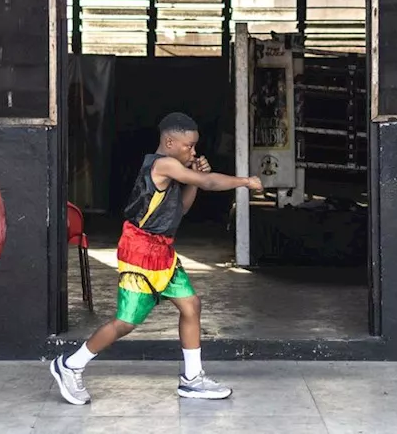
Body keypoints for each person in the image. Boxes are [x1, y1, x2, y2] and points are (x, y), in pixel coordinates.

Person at [49, 112, 263, 405]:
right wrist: (245, 181)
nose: (194, 151)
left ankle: (192, 379)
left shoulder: (176, 169)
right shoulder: (163, 164)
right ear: (170, 141)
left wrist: (194, 181)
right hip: (140, 252)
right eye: (189, 146)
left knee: (190, 305)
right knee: (126, 322)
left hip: (162, 250)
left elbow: (182, 210)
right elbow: (212, 182)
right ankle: (70, 365)